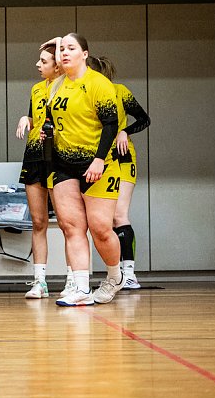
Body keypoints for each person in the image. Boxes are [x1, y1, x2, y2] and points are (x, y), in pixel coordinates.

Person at [45, 34, 123, 306]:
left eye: (70, 49)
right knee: (71, 227)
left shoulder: (98, 84)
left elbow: (111, 125)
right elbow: (51, 120)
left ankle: (115, 276)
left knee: (100, 228)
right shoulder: (55, 86)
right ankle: (80, 288)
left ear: (84, 54)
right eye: (61, 49)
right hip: (64, 165)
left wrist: (99, 159)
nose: (64, 53)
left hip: (99, 165)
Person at [88, 56, 151, 290]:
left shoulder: (119, 91)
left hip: (121, 156)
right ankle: (112, 273)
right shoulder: (81, 93)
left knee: (119, 216)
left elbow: (144, 119)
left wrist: (125, 130)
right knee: (101, 220)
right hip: (96, 159)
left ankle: (129, 273)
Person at [15, 44, 62, 299]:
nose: (37, 65)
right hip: (34, 157)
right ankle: (39, 282)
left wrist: (56, 44)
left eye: (43, 61)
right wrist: (26, 119)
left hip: (57, 158)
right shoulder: (35, 89)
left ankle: (74, 279)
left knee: (67, 223)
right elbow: (36, 117)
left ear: (57, 66)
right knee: (38, 221)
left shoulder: (66, 85)